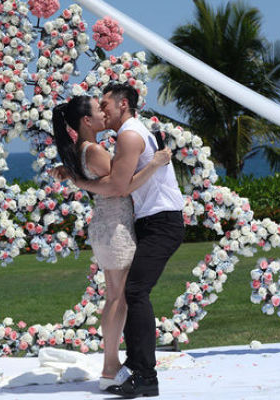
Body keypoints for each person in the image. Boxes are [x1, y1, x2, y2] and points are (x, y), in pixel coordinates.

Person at [56, 84, 185, 398]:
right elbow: (118, 187)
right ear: (86, 121)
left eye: (105, 104)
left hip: (130, 223)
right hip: (117, 226)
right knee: (124, 295)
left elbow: (116, 185)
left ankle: (125, 368)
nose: (103, 111)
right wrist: (153, 164)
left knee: (126, 294)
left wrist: (76, 178)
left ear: (123, 104)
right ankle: (120, 368)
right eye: (98, 107)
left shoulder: (120, 138)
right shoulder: (102, 146)